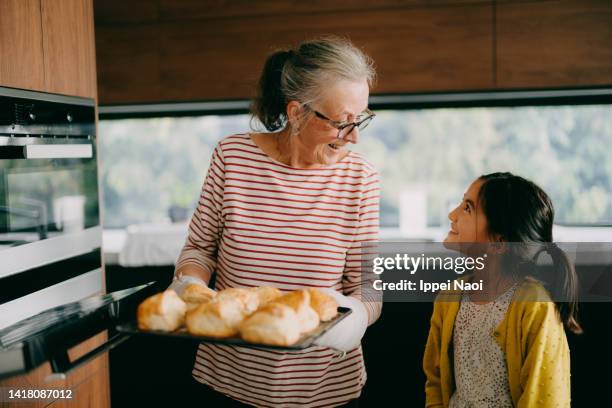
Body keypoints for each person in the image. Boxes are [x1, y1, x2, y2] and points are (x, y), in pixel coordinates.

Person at [169, 36, 381, 407]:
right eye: (342, 123)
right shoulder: (232, 157)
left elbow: (367, 284)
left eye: (361, 119)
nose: (355, 137)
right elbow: (200, 249)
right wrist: (189, 284)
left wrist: (360, 315)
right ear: (297, 112)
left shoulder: (360, 179)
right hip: (229, 381)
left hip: (323, 390)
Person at [423, 172, 581, 408]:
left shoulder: (534, 307)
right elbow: (435, 382)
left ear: (498, 242)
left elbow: (544, 399)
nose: (452, 214)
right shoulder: (448, 297)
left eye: (467, 208)